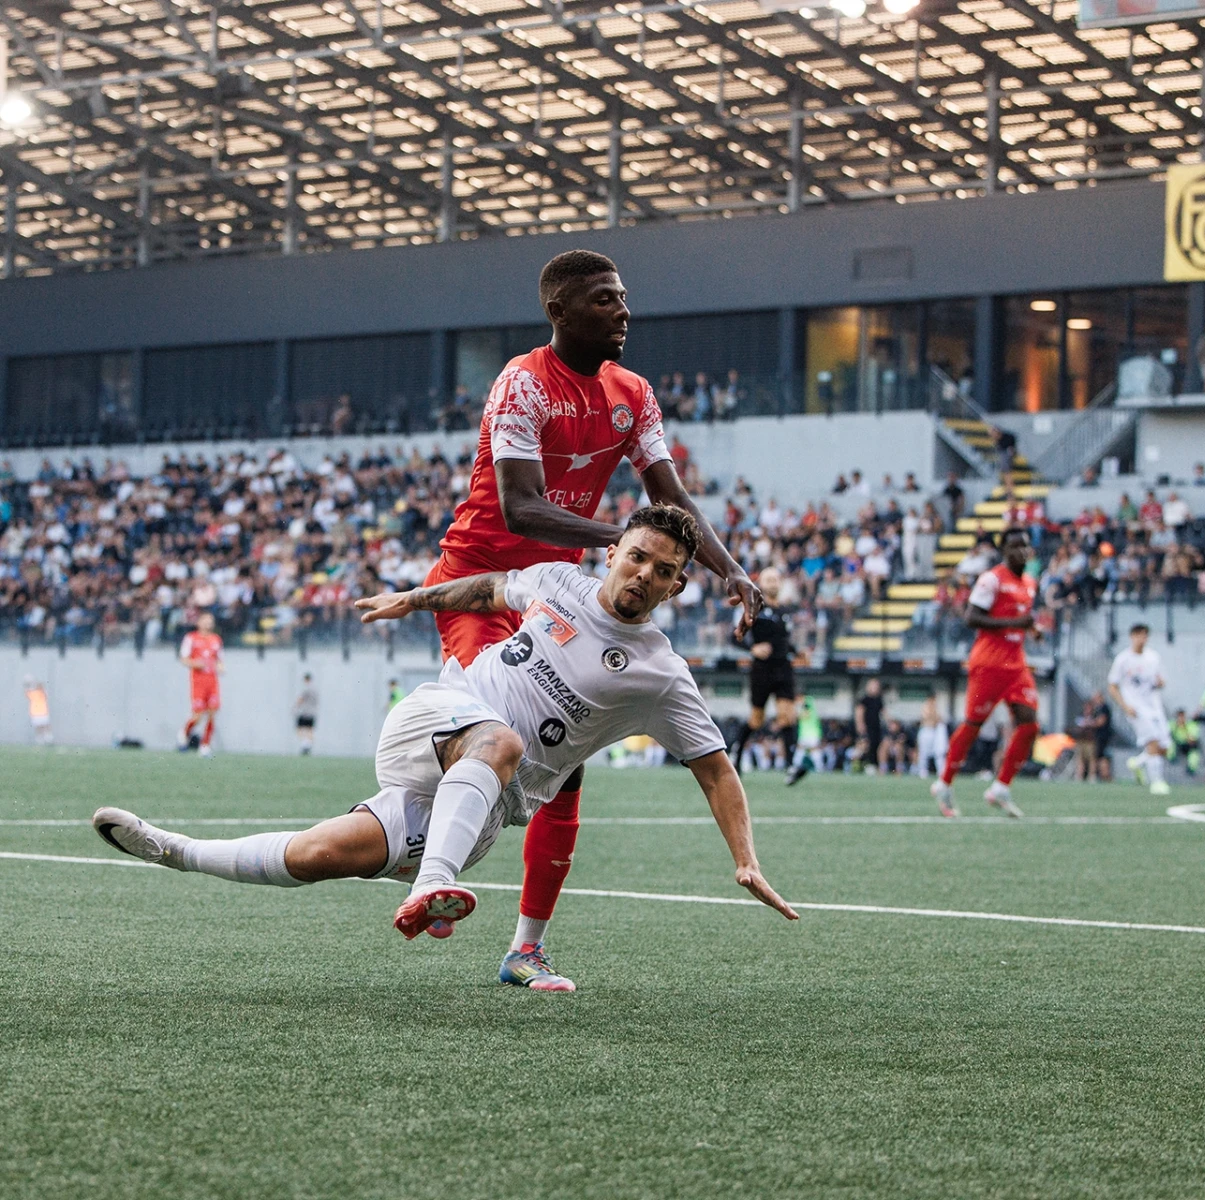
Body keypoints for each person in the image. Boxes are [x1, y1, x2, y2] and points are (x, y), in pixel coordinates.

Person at [93, 506, 797, 982]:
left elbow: (715, 770)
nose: (645, 574)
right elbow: (492, 589)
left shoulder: (660, 675)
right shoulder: (558, 582)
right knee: (500, 740)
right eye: (638, 556)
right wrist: (412, 599)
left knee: (316, 856)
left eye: (664, 570)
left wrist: (746, 860)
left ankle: (173, 851)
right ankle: (435, 884)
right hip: (438, 719)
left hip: (481, 805)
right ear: (614, 552)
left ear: (675, 587)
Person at [420, 250, 760, 990]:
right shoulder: (522, 383)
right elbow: (519, 505)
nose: (624, 312)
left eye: (626, 298)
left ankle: (525, 949)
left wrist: (728, 569)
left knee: (564, 771)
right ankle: (431, 862)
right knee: (484, 736)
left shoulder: (632, 393)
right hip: (484, 582)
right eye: (606, 300)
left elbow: (669, 496)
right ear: (561, 312)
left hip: (565, 597)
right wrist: (622, 543)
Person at [932, 528, 1035, 819]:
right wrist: (1017, 622)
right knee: (974, 724)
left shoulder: (1029, 583)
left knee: (1029, 724)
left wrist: (1032, 629)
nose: (1021, 552)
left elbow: (1022, 620)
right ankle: (944, 783)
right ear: (1004, 552)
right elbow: (971, 617)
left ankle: (1001, 787)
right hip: (988, 664)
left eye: (1024, 547)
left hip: (1016, 664)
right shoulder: (991, 579)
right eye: (1014, 547)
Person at [732, 566, 799, 783]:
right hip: (762, 670)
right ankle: (737, 754)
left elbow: (784, 641)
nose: (773, 583)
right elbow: (734, 637)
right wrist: (752, 649)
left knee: (787, 716)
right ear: (761, 584)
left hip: (784, 669)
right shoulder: (755, 609)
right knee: (756, 720)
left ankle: (791, 766)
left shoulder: (785, 611)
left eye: (776, 579)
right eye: (769, 580)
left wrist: (798, 652)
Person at [1107, 623, 1170, 796]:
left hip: (1154, 706)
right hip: (1136, 707)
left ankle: (1138, 763)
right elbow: (1112, 685)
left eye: (1145, 635)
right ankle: (1156, 782)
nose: (1142, 639)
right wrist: (1125, 706)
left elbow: (1161, 680)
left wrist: (1160, 682)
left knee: (1164, 747)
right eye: (1138, 635)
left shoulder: (1153, 657)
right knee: (1153, 742)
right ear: (1132, 637)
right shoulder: (1123, 659)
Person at [178, 611, 223, 758]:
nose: (209, 623)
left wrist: (221, 667)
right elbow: (183, 658)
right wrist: (194, 663)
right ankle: (184, 732)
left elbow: (220, 659)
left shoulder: (216, 639)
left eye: (211, 620)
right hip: (198, 682)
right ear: (199, 622)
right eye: (206, 620)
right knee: (197, 715)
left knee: (212, 713)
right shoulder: (191, 638)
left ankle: (205, 745)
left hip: (212, 681)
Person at [853, 679, 885, 773]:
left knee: (876, 746)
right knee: (865, 746)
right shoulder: (865, 699)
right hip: (867, 727)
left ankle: (873, 765)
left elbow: (883, 712)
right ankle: (860, 765)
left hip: (876, 728)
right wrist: (860, 724)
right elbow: (859, 712)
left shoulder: (879, 700)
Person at [914, 696, 949, 778]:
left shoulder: (936, 710)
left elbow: (939, 720)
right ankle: (922, 770)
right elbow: (928, 718)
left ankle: (941, 771)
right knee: (923, 753)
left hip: (933, 732)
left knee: (938, 753)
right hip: (926, 731)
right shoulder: (925, 708)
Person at [1168, 709, 1200, 777]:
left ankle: (1191, 768)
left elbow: (1192, 740)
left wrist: (1185, 728)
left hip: (1187, 745)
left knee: (1194, 751)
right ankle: (1171, 758)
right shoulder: (1172, 724)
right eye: (1179, 717)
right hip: (1177, 744)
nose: (1181, 719)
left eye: (1182, 717)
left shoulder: (1191, 725)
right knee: (1170, 743)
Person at [293, 673, 318, 756]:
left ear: (305, 679)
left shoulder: (306, 688)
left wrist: (295, 707)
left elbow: (301, 699)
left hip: (305, 712)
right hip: (312, 712)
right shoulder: (315, 689)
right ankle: (308, 745)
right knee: (310, 729)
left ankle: (304, 744)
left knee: (299, 728)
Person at [22, 675, 52, 746]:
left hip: (43, 712)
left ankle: (49, 739)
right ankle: (40, 740)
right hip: (35, 713)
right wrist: (27, 683)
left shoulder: (42, 692)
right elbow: (26, 691)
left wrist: (35, 682)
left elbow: (42, 686)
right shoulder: (32, 693)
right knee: (38, 727)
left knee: (46, 725)